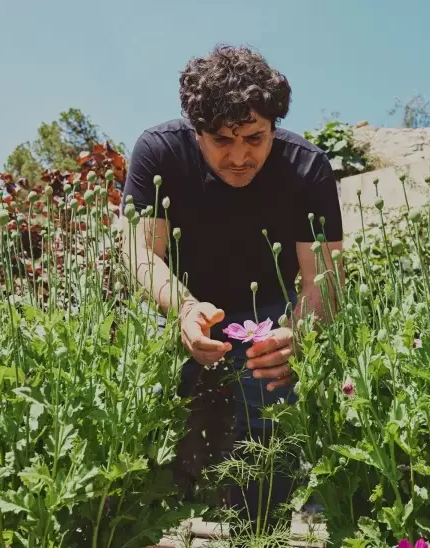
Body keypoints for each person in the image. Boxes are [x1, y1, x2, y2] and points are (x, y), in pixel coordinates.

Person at [115, 44, 344, 533]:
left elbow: (324, 278)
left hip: (274, 311)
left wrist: (296, 335)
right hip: (183, 300)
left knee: (271, 407)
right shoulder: (158, 152)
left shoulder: (308, 168)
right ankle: (154, 527)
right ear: (195, 130)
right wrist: (184, 309)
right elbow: (139, 254)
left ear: (274, 127)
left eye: (255, 138)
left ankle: (258, 533)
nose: (240, 156)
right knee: (147, 408)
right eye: (221, 140)